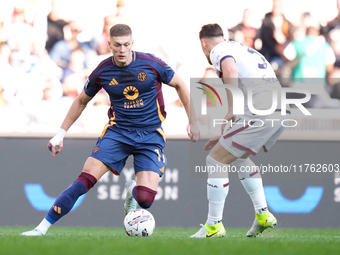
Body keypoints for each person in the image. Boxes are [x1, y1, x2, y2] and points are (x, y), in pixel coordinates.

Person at [21, 24, 200, 236]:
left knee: (145, 200)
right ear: (110, 45)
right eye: (117, 45)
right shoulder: (102, 71)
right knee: (84, 180)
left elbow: (180, 84)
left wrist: (194, 121)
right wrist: (60, 133)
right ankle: (41, 229)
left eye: (126, 45)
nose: (122, 50)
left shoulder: (151, 64)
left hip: (150, 135)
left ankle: (132, 193)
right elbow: (80, 101)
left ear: (132, 43)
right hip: (118, 133)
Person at [191, 23, 288, 238]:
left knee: (214, 160)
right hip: (279, 109)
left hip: (261, 110)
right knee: (237, 157)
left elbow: (230, 70)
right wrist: (229, 132)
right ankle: (263, 215)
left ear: (204, 43)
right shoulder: (241, 48)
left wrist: (231, 108)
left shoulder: (219, 50)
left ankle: (213, 226)